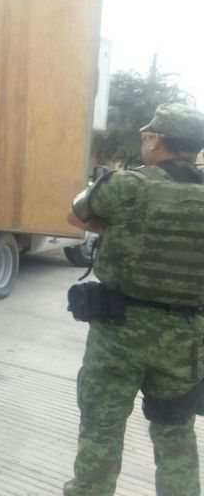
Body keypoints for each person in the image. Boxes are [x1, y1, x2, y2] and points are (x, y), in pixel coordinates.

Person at [64, 102, 204, 496]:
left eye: (147, 136)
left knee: (101, 430)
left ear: (156, 139)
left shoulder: (126, 187)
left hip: (118, 333)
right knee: (176, 432)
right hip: (185, 338)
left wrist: (114, 222)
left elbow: (77, 214)